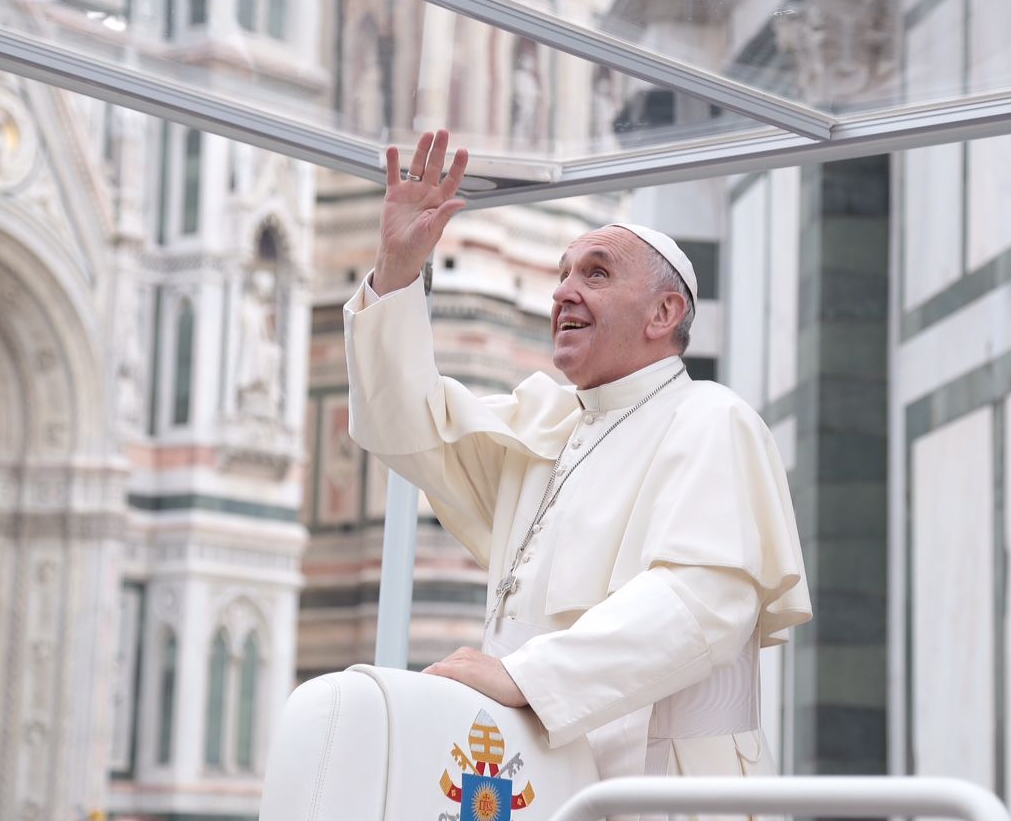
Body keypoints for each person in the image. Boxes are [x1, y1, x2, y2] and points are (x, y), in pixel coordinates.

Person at [344, 130, 810, 811]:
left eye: (595, 273)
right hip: (528, 779)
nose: (563, 291)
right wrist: (398, 270)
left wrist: (524, 678)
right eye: (561, 274)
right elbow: (404, 423)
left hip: (665, 791)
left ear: (664, 312)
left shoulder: (713, 420)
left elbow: (700, 603)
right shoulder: (549, 430)